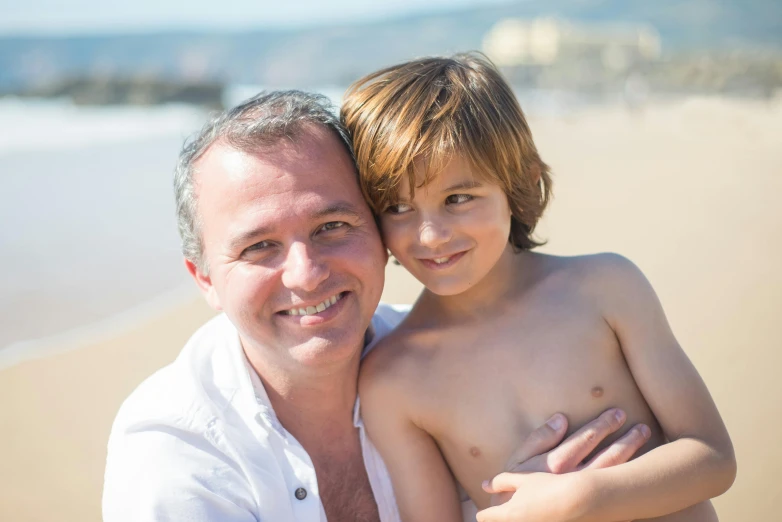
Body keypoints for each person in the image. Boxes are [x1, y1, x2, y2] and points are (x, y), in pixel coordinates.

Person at [102, 90, 651, 522]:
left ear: (384, 235)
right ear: (204, 279)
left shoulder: (448, 357)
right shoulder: (174, 458)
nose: (307, 273)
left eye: (333, 226)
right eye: (258, 247)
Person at [342, 54, 736, 522]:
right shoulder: (392, 379)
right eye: (397, 207)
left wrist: (584, 498)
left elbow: (713, 458)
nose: (430, 235)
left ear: (519, 183)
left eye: (459, 198)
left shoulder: (604, 289)